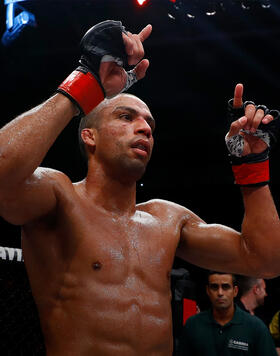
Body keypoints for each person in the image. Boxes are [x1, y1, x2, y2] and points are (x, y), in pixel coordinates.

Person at [0, 19, 280, 355]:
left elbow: (266, 260)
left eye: (149, 123)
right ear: (90, 135)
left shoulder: (167, 219)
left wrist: (251, 169)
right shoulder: (59, 198)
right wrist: (85, 83)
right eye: (125, 117)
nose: (145, 128)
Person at [178, 271, 277, 355]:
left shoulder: (256, 327)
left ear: (235, 291)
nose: (220, 293)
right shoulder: (193, 324)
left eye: (225, 287)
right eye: (214, 287)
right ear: (208, 291)